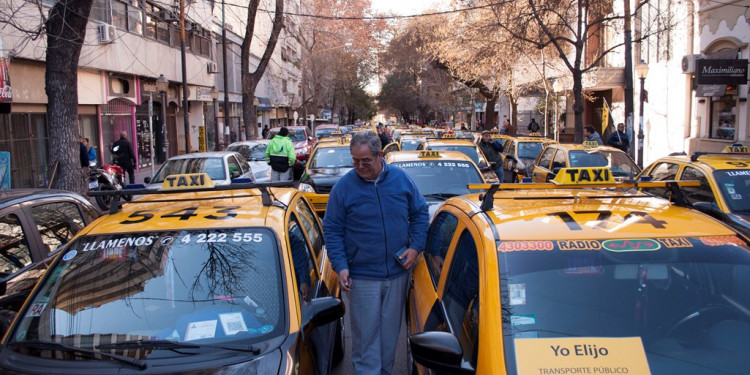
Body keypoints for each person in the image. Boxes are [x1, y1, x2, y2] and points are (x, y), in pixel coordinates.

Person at [323, 131, 429, 375]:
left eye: (366, 161)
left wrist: (416, 247)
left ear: (380, 155)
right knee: (365, 338)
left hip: (397, 274)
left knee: (390, 335)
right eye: (355, 161)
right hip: (361, 277)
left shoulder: (401, 180)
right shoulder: (343, 188)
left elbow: (420, 214)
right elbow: (332, 229)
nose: (360, 166)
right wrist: (340, 265)